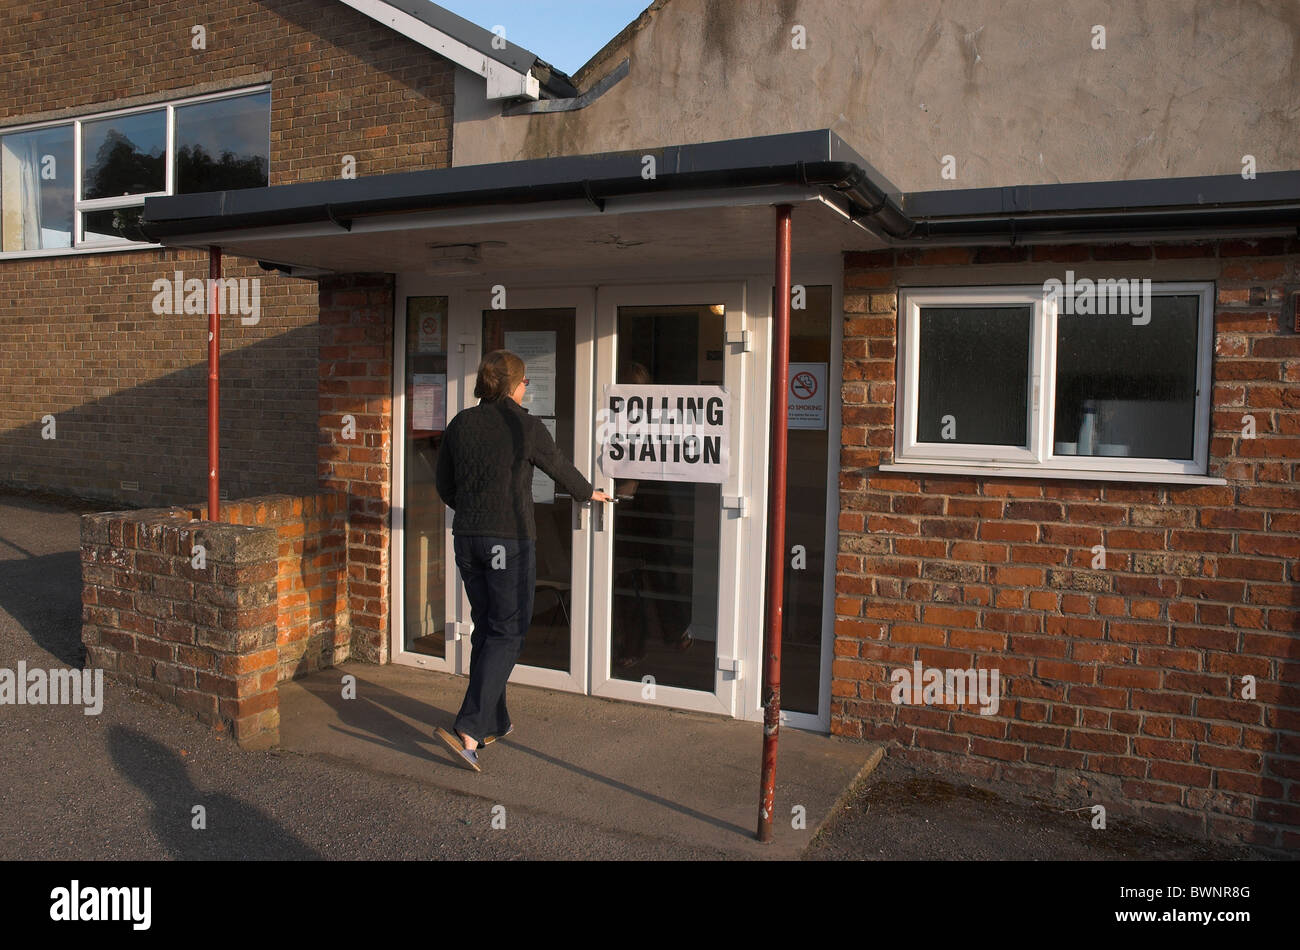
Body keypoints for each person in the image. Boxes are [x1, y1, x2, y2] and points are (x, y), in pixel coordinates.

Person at [433, 349, 611, 771]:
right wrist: (590, 493)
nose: (527, 387)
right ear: (514, 384)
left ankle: (495, 719)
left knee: (488, 629)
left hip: (469, 540)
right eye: (525, 381)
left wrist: (474, 511)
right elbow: (558, 467)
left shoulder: (460, 424)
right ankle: (470, 730)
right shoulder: (525, 425)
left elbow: (445, 485)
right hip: (507, 542)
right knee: (509, 632)